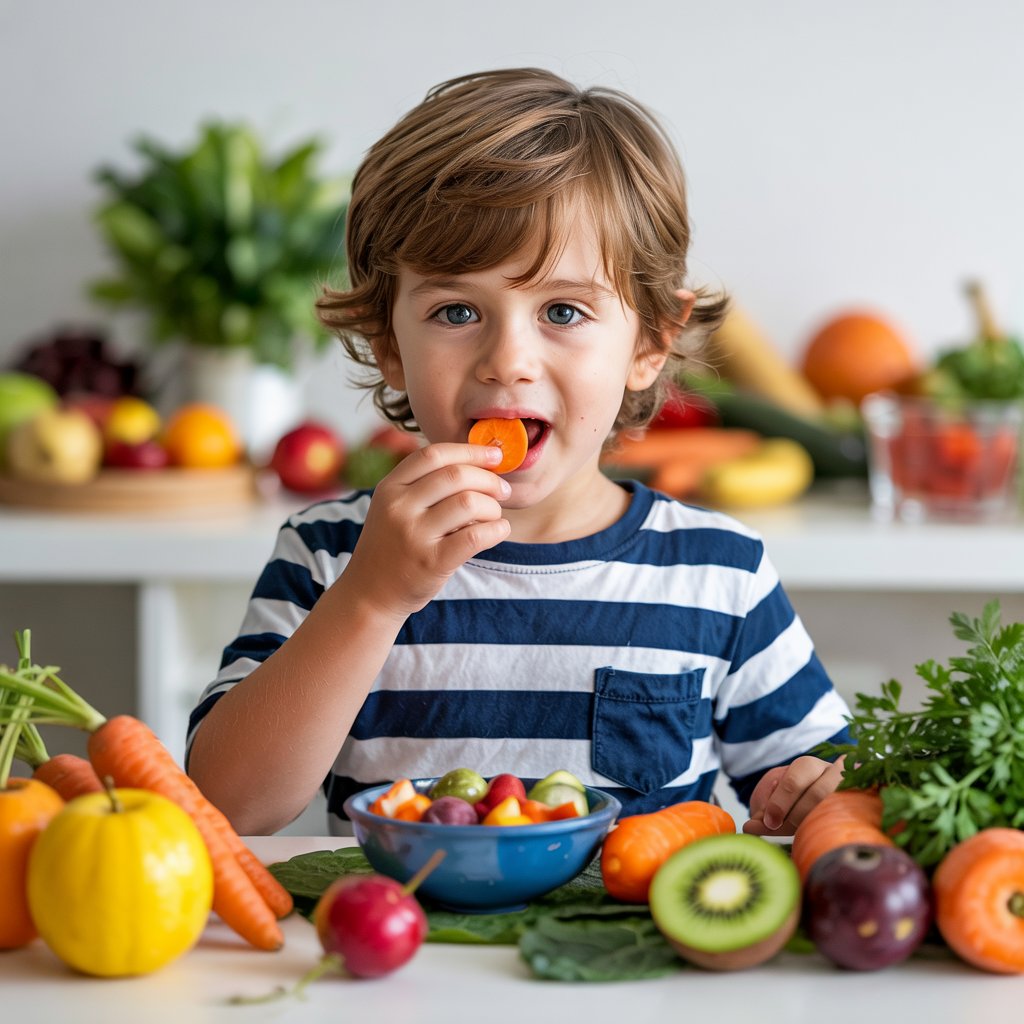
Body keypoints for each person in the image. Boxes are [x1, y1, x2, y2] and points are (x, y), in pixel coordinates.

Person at [186, 67, 852, 837]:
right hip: (399, 954)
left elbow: (833, 784)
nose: (509, 360)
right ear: (390, 346)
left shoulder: (716, 572)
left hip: (628, 957)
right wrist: (371, 601)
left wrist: (812, 790)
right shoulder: (334, 554)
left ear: (649, 343)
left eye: (562, 310)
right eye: (457, 310)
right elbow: (228, 806)